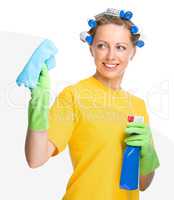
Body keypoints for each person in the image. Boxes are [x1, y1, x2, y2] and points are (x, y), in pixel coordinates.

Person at [25, 8, 160, 200]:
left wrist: (149, 154)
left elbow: (143, 184)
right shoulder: (74, 96)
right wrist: (38, 105)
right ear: (91, 48)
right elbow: (35, 158)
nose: (111, 56)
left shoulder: (138, 106)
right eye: (102, 46)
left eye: (120, 47)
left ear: (132, 51)